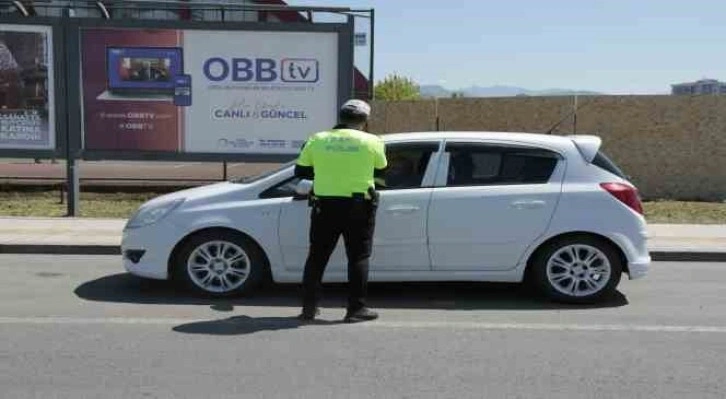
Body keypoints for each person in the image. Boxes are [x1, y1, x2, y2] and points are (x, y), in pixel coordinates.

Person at [294, 99, 388, 323]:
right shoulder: (373, 141)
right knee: (358, 257)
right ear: (365, 121)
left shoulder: (317, 139)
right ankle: (356, 310)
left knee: (317, 257)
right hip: (359, 207)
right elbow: (382, 172)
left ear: (340, 117)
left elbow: (301, 171)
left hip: (324, 206)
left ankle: (309, 309)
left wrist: (327, 174)